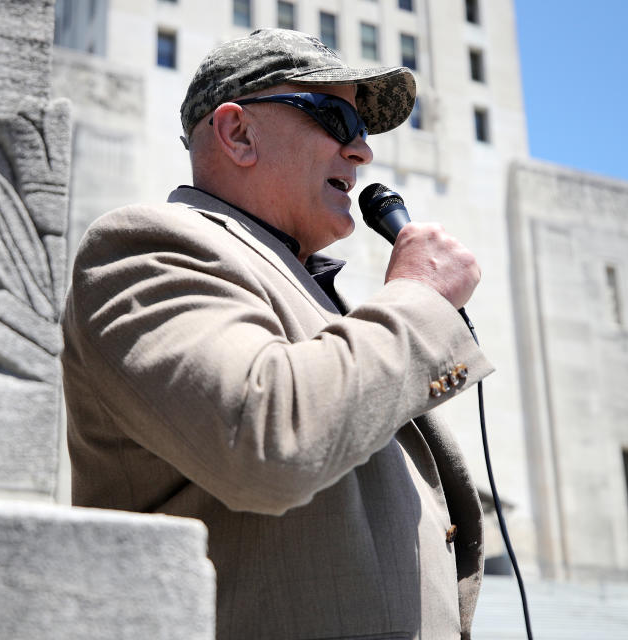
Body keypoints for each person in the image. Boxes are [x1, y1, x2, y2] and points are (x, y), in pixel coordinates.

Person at [61, 28, 493, 639]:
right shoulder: (145, 246)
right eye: (336, 118)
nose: (361, 151)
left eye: (364, 132)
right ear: (238, 133)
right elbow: (268, 439)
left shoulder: (310, 288)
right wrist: (419, 299)